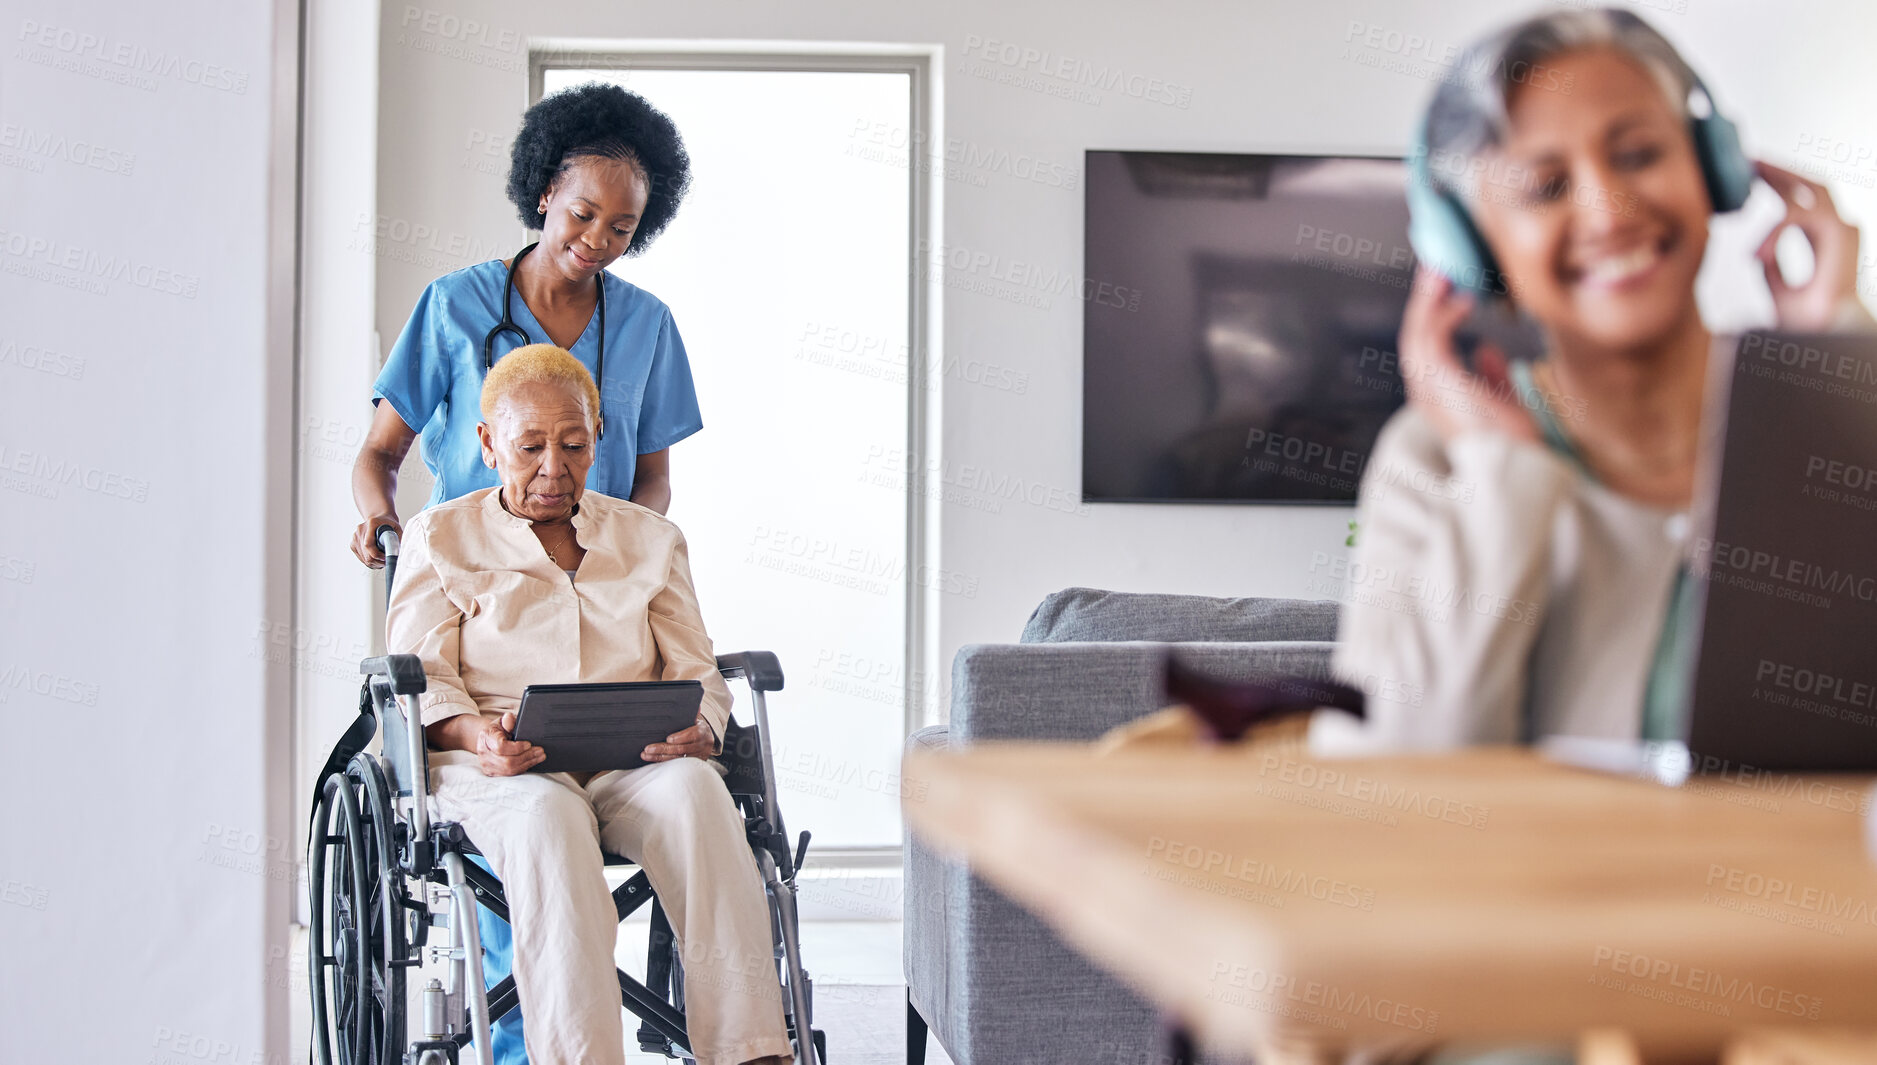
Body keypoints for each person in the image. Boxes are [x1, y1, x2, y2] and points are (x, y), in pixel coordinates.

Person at [1316, 7, 1872, 759]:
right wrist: (1499, 477)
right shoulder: (1434, 460)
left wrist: (1840, 368)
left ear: (1712, 166)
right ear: (1472, 249)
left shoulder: (1837, 419)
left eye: (1640, 153)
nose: (1609, 212)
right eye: (1545, 188)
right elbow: (1399, 783)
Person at [387, 344, 793, 1065]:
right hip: (499, 766)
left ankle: (749, 1052)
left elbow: (697, 668)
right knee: (548, 819)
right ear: (486, 444)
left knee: (701, 794)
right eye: (530, 446)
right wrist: (476, 733)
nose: (554, 467)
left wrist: (700, 729)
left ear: (597, 435)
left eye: (573, 444)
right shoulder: (439, 537)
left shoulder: (650, 537)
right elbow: (425, 678)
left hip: (632, 759)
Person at [351, 81, 701, 567]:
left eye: (622, 228)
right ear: (545, 193)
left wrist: (623, 546)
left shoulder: (648, 324)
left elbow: (653, 479)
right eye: (583, 214)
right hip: (468, 568)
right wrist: (377, 516)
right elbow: (381, 451)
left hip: (594, 576)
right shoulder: (454, 305)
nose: (597, 240)